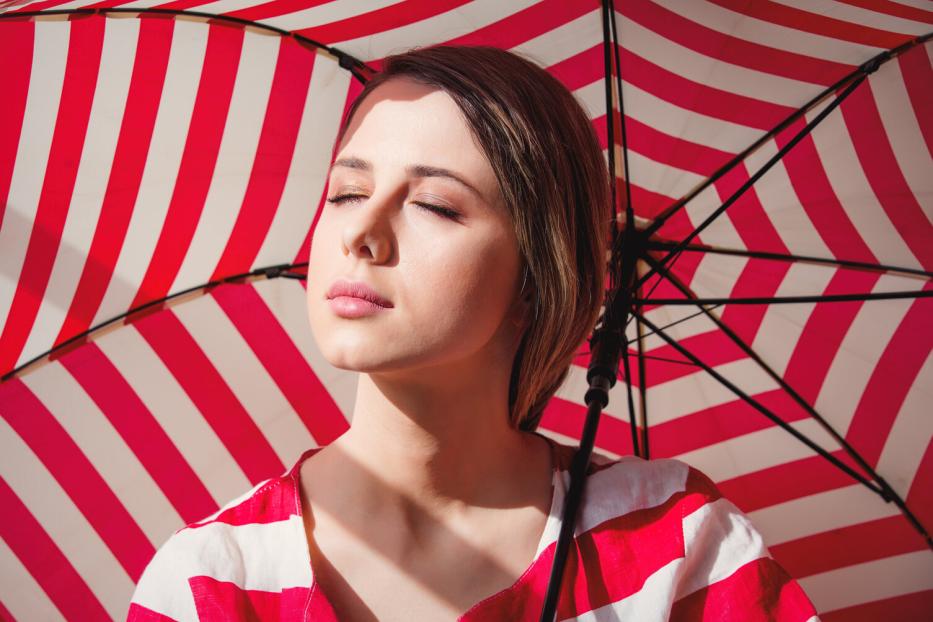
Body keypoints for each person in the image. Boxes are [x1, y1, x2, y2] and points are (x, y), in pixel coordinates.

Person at [127, 45, 819, 621]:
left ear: (534, 274)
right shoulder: (210, 580)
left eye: (433, 204)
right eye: (345, 192)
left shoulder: (678, 546)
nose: (361, 234)